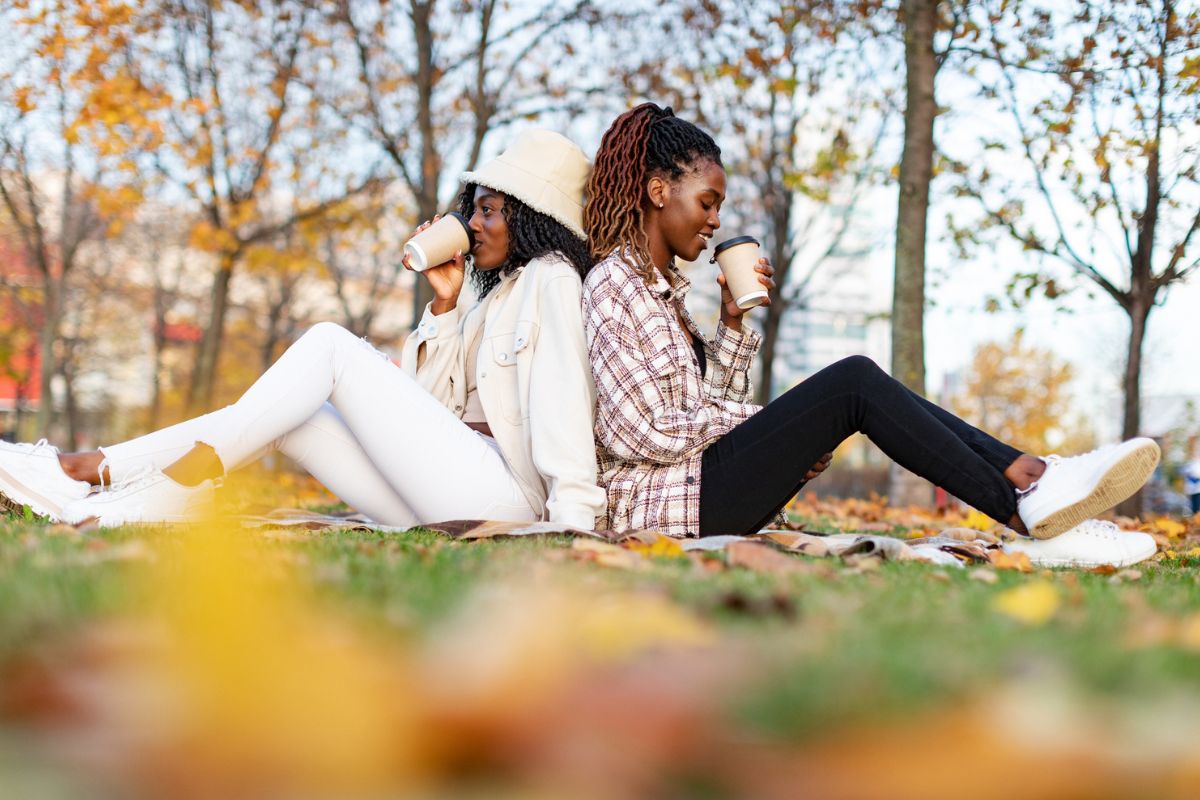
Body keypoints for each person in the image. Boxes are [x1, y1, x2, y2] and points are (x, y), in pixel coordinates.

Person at [580, 102, 1158, 568]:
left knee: (856, 383)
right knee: (852, 382)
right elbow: (642, 432)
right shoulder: (613, 286)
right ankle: (1029, 502)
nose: (716, 222)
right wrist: (768, 425)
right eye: (708, 203)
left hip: (701, 489)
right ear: (659, 192)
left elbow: (705, 408)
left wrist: (732, 325)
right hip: (665, 504)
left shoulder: (664, 297)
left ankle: (1035, 482)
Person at [0, 129, 604, 530]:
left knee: (330, 345)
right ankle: (91, 474)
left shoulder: (552, 280)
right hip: (450, 492)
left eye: (489, 210)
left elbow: (563, 408)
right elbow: (428, 411)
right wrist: (444, 308)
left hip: (506, 503)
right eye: (473, 206)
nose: (472, 223)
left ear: (531, 218)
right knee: (293, 415)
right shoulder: (489, 292)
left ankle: (137, 486)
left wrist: (570, 529)